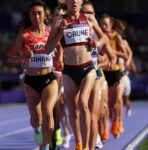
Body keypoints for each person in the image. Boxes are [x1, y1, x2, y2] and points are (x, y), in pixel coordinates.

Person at [45, 0, 116, 149]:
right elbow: (47, 49)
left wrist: (97, 43)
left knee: (83, 103)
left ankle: (86, 147)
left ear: (81, 1)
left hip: (88, 68)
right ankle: (79, 143)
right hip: (69, 71)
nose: (74, 2)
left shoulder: (89, 18)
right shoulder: (59, 20)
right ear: (66, 2)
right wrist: (60, 34)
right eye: (70, 0)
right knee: (74, 113)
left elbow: (103, 38)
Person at [8, 1, 59, 150]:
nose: (36, 16)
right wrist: (24, 57)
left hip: (49, 78)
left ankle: (46, 144)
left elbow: (60, 47)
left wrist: (60, 59)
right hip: (30, 81)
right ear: (29, 15)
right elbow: (11, 56)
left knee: (48, 112)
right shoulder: (24, 34)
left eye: (39, 13)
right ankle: (37, 129)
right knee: (37, 119)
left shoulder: (51, 32)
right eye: (33, 13)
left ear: (45, 14)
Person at [81, 1, 116, 149]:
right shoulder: (75, 29)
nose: (87, 15)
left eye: (90, 13)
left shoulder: (99, 35)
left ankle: (95, 138)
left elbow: (112, 56)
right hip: (78, 75)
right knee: (81, 111)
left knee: (96, 112)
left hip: (97, 75)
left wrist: (109, 61)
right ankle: (82, 141)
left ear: (94, 15)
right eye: (85, 13)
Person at [100, 13, 128, 139]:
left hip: (114, 72)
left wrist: (110, 50)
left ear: (111, 25)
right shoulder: (98, 36)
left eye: (106, 24)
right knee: (105, 103)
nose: (103, 26)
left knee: (115, 102)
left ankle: (117, 121)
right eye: (101, 24)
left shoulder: (115, 37)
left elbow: (125, 55)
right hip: (103, 72)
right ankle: (106, 127)